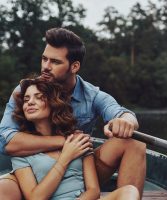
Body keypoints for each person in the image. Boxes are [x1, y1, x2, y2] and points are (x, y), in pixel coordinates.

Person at [0, 28, 146, 199]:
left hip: (77, 170)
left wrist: (125, 121)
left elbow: (121, 113)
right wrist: (67, 142)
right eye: (44, 59)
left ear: (74, 66)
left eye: (55, 62)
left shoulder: (92, 96)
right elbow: (4, 141)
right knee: (3, 187)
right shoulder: (27, 91)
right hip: (34, 171)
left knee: (134, 142)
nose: (46, 67)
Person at [10, 77, 140, 200]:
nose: (30, 102)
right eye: (26, 100)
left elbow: (93, 191)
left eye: (39, 97)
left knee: (129, 191)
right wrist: (65, 158)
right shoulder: (21, 152)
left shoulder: (77, 139)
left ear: (53, 103)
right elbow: (35, 198)